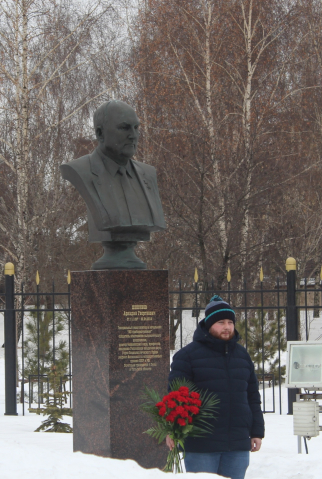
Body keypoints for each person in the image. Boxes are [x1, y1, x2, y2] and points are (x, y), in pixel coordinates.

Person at [60, 100, 166, 269]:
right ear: (100, 133)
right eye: (124, 128)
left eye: (136, 128)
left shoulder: (148, 174)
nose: (133, 135)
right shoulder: (80, 170)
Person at [167, 295, 264, 479]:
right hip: (202, 445)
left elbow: (252, 396)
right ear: (208, 325)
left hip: (237, 445)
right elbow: (176, 397)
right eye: (221, 322)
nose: (227, 327)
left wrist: (256, 432)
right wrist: (173, 430)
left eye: (230, 322)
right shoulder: (187, 356)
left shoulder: (242, 356)